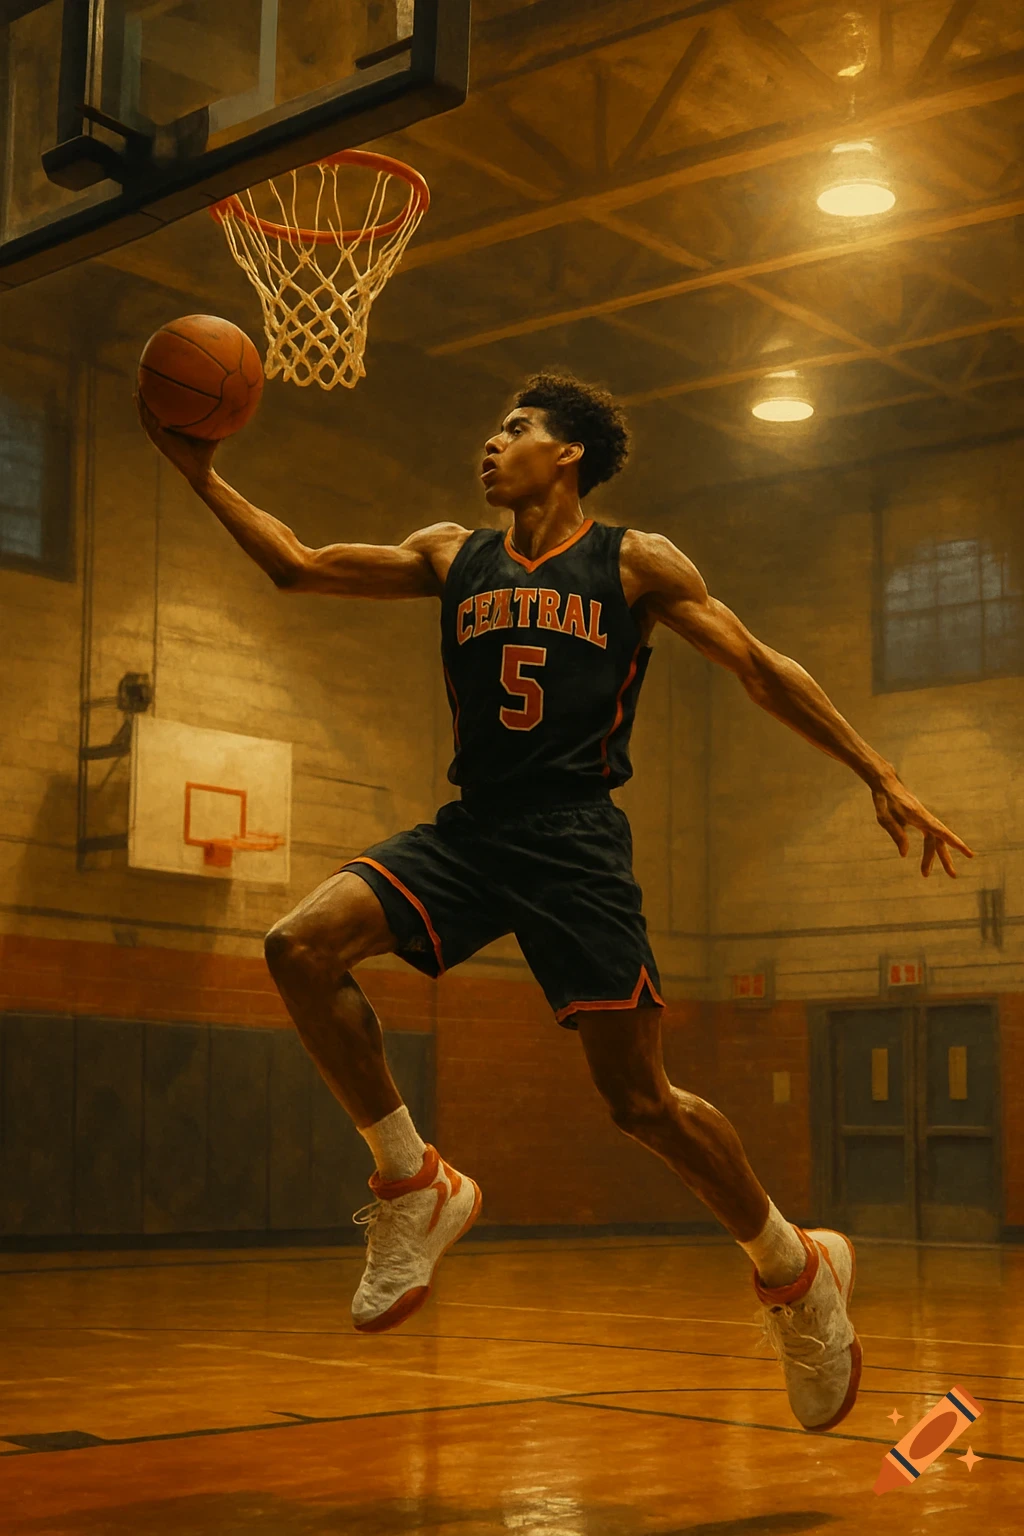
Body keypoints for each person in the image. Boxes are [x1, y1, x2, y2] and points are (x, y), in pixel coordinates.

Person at [138, 372, 972, 1435]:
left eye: (516, 428)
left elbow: (760, 666)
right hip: (475, 829)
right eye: (495, 426)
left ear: (566, 454)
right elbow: (297, 566)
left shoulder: (634, 562)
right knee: (298, 945)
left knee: (639, 1105)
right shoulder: (453, 552)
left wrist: (878, 772)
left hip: (577, 840)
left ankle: (791, 1267)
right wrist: (197, 466)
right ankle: (413, 1179)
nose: (491, 444)